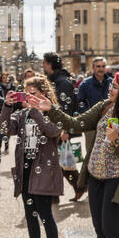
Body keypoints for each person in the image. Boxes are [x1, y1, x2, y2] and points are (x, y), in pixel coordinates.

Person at [28, 72, 119, 238]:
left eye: (115, 87)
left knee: (112, 230)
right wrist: (51, 110)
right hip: (95, 177)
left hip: (117, 180)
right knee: (100, 230)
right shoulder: (104, 107)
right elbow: (76, 124)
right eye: (111, 85)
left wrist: (116, 141)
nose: (110, 88)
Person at [0, 75, 63, 238]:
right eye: (25, 94)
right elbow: (5, 129)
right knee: (30, 216)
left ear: (43, 93)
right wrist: (7, 106)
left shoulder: (54, 111)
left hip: (43, 170)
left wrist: (36, 110)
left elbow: (52, 131)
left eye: (32, 93)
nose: (28, 98)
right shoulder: (21, 115)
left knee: (46, 216)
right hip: (25, 170)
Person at [43, 52, 83, 202]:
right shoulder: (54, 80)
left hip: (59, 128)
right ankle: (56, 194)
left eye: (44, 63)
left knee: (61, 161)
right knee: (57, 161)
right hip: (53, 126)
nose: (43, 66)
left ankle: (77, 186)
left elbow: (67, 108)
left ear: (50, 64)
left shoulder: (62, 82)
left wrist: (65, 129)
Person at [77, 57, 113, 152]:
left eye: (103, 66)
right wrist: (90, 117)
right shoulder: (85, 84)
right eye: (98, 66)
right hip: (91, 124)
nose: (101, 68)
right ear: (93, 68)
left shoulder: (112, 82)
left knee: (109, 151)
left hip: (110, 122)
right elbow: (80, 103)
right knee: (91, 151)